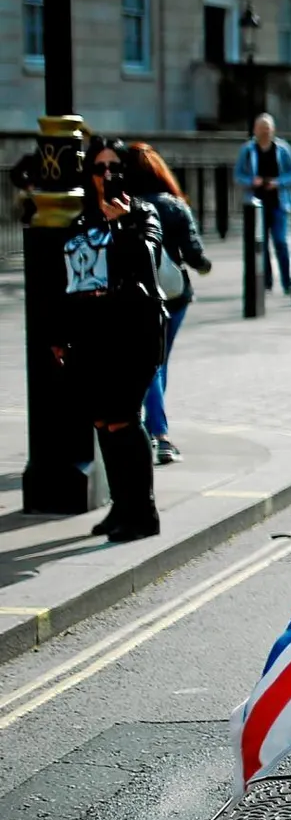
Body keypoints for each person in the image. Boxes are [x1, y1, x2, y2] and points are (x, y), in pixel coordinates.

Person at [59, 140, 167, 542]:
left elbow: (148, 259)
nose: (107, 175)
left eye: (114, 167)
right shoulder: (83, 219)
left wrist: (121, 224)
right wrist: (60, 335)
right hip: (93, 336)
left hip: (134, 333)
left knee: (124, 417)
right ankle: (122, 507)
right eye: (99, 168)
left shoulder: (142, 213)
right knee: (104, 421)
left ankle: (145, 513)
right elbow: (71, 279)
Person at [121, 142, 212, 466]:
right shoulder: (174, 206)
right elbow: (195, 255)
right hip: (174, 296)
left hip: (138, 295)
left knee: (150, 365)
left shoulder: (124, 205)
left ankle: (155, 432)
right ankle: (157, 433)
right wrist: (204, 266)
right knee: (158, 363)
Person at [233, 113, 291, 293]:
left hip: (279, 202)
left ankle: (287, 281)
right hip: (256, 204)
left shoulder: (283, 149)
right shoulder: (247, 150)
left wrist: (278, 182)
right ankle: (266, 282)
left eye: (268, 130)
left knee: (281, 242)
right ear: (255, 130)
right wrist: (252, 181)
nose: (264, 134)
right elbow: (238, 175)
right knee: (261, 245)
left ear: (273, 131)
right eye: (261, 130)